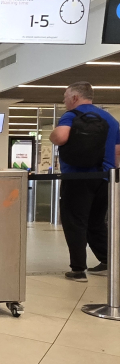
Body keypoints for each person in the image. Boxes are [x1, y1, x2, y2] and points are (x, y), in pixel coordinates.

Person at [49, 82, 120, 282]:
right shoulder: (110, 119)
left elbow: (60, 137)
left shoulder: (71, 115)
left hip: (77, 177)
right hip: (104, 177)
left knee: (75, 222)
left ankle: (78, 269)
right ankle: (108, 260)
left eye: (65, 97)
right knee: (96, 222)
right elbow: (117, 150)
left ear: (75, 97)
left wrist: (52, 135)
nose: (64, 101)